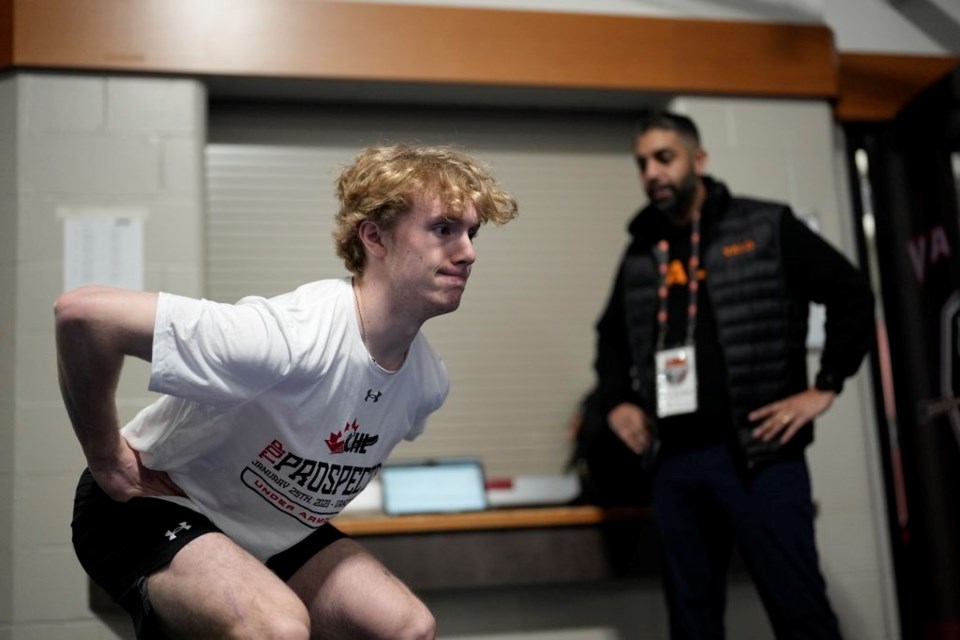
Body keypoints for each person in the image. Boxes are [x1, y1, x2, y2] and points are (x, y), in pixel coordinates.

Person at [57, 144, 518, 639]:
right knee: (277, 628)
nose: (467, 252)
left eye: (471, 233)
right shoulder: (287, 339)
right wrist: (106, 456)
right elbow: (85, 315)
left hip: (269, 530)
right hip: (150, 506)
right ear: (375, 237)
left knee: (409, 627)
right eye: (443, 229)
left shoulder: (427, 383)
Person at [592, 110, 874, 639]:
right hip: (674, 459)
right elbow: (609, 336)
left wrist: (826, 385)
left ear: (698, 160)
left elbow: (851, 293)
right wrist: (617, 400)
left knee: (801, 614)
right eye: (642, 163)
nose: (652, 172)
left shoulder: (764, 226)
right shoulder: (639, 252)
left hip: (758, 454)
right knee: (692, 623)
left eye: (665, 158)